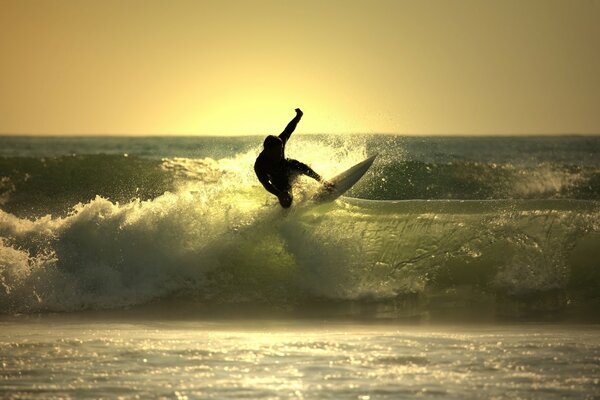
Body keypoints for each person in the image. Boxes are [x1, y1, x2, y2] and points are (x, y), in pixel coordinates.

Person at [254, 108, 332, 208]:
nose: (280, 154)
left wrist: (298, 117)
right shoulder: (260, 164)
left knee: (299, 166)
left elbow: (289, 129)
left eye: (281, 150)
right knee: (287, 203)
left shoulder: (279, 141)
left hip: (287, 166)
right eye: (277, 152)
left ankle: (323, 182)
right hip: (278, 179)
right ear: (268, 150)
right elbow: (266, 184)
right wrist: (279, 194)